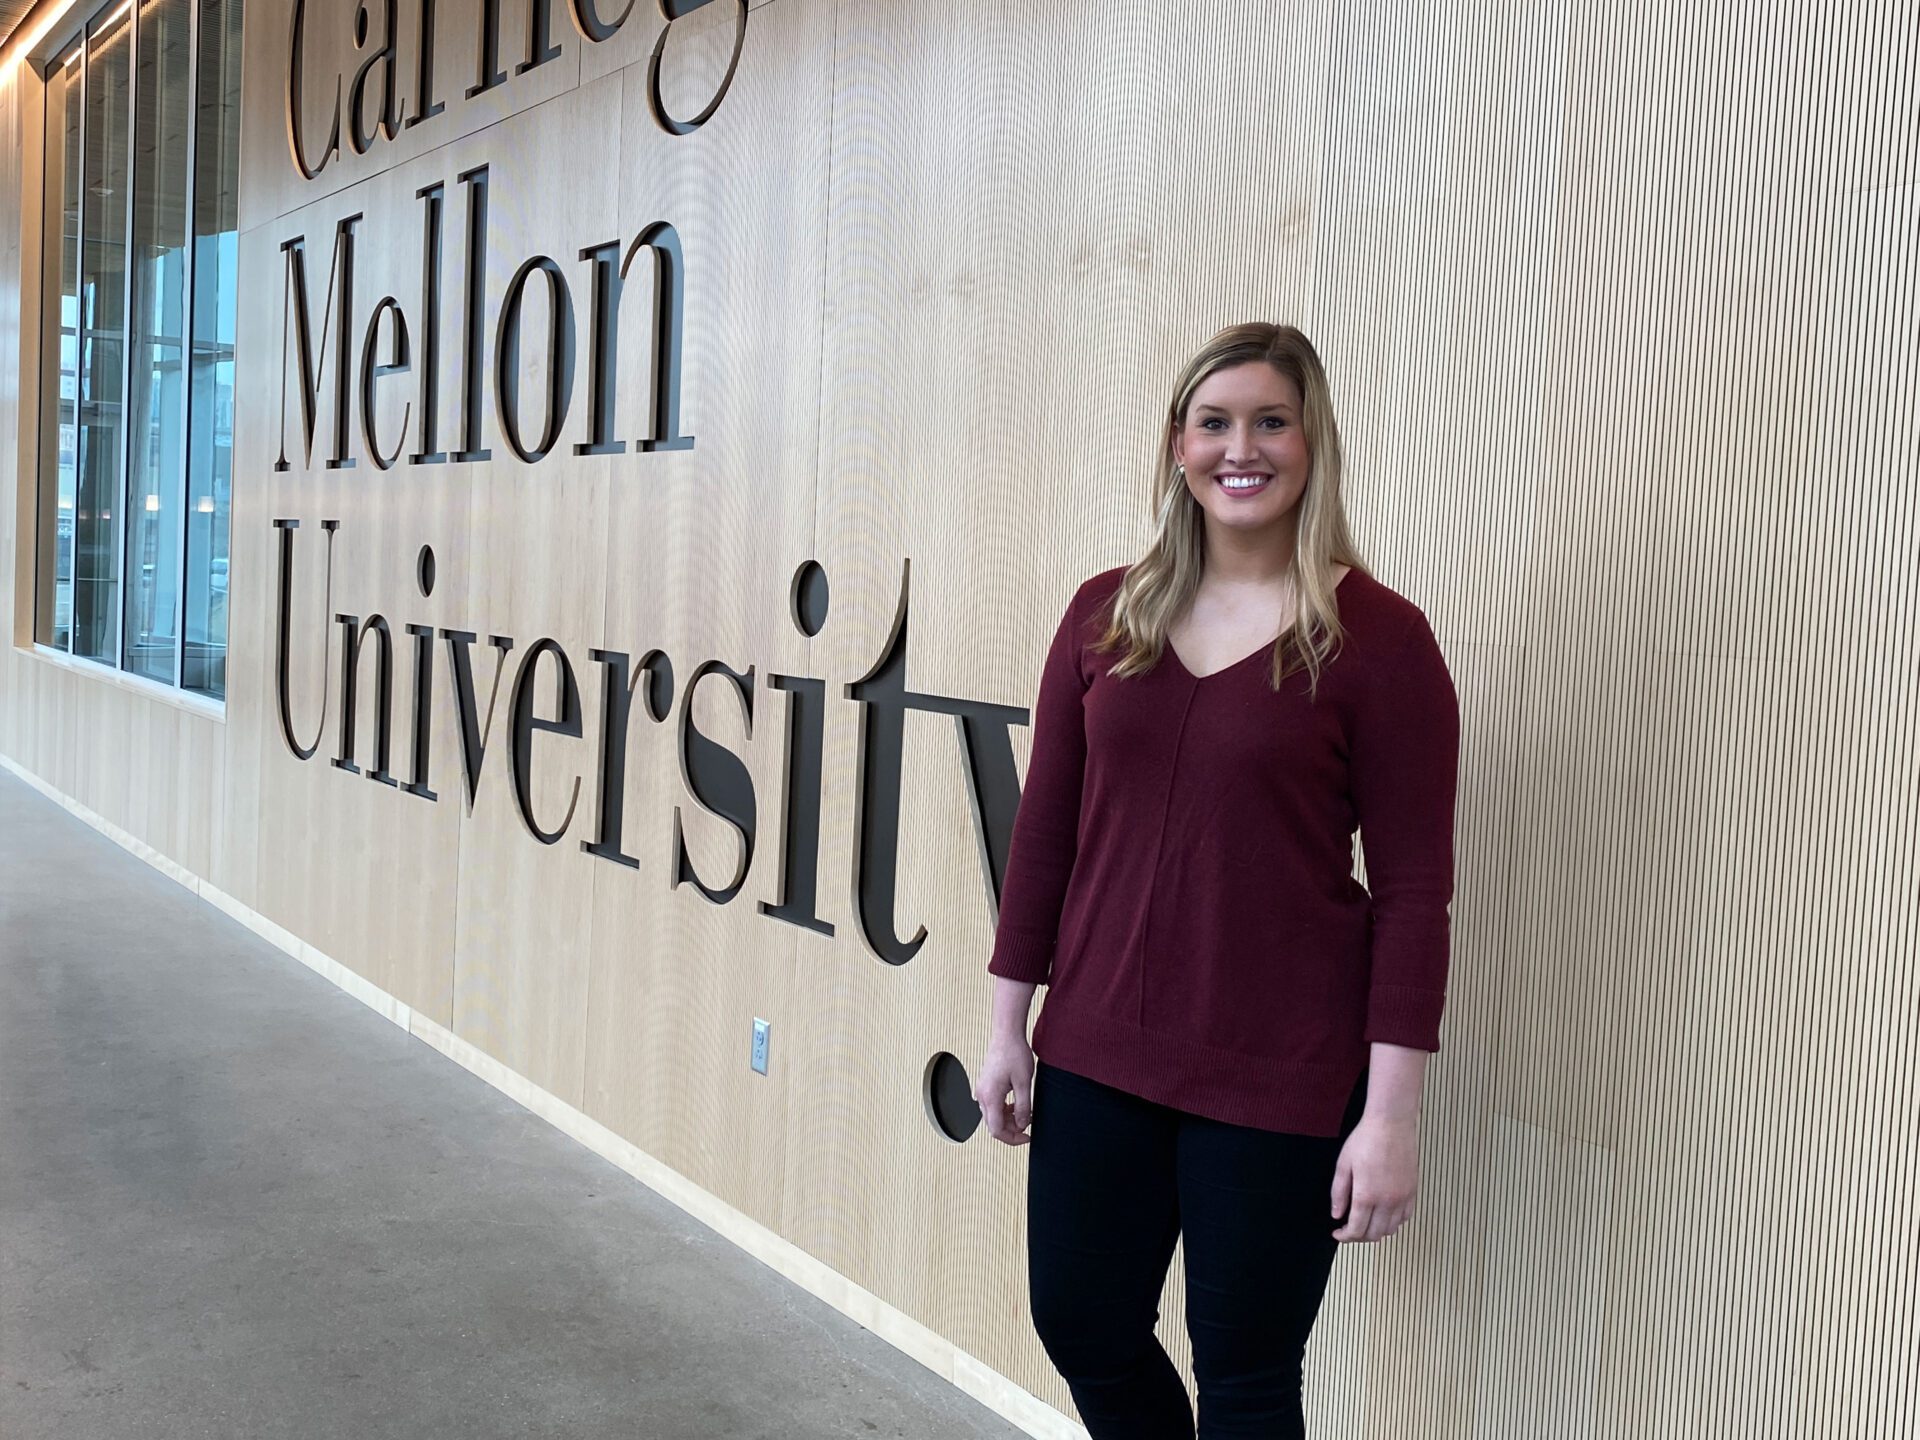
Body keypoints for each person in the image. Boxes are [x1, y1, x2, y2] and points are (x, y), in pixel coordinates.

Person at [973, 322, 1460, 1439]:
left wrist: (1390, 1117)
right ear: (1179, 446)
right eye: (1216, 423)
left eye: (1271, 422)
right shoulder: (1106, 613)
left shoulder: (1381, 642)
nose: (1243, 449)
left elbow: (1413, 896)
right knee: (1082, 1320)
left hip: (1280, 1072)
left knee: (1245, 1377)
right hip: (1097, 1049)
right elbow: (1043, 839)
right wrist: (1008, 1029)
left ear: (1311, 441)